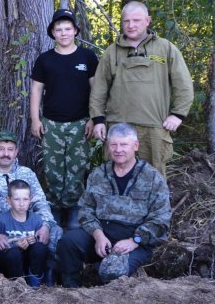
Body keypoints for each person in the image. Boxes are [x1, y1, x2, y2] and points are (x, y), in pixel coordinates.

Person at [56, 123, 170, 287]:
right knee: (68, 242)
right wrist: (98, 236)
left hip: (136, 240)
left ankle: (103, 286)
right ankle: (71, 291)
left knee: (112, 272)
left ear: (135, 146)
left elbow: (162, 218)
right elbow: (86, 210)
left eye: (124, 144)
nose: (118, 149)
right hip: (102, 235)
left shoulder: (152, 177)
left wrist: (135, 240)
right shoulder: (99, 174)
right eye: (113, 144)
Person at [89, 1, 194, 176]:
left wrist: (178, 114)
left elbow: (184, 85)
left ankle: (156, 205)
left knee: (153, 176)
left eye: (136, 20)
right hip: (118, 125)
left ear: (147, 21)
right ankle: (118, 204)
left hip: (154, 127)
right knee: (117, 174)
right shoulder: (111, 52)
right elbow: (99, 89)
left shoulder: (165, 48)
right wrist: (98, 119)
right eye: (126, 21)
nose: (131, 25)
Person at [30, 9, 99, 229]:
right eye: (58, 29)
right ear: (52, 32)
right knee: (52, 169)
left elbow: (96, 90)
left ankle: (74, 209)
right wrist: (35, 119)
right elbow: (36, 90)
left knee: (77, 168)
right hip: (51, 123)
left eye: (68, 28)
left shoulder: (87, 57)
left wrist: (94, 118)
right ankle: (55, 209)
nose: (63, 33)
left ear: (75, 31)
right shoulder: (45, 59)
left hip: (81, 123)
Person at [0, 131, 59, 274]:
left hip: (28, 229)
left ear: (16, 151)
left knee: (56, 230)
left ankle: (49, 277)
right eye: (1, 149)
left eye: (10, 149)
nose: (6, 154)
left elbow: (40, 203)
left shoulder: (27, 174)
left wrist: (45, 226)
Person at [0, 180, 48, 286]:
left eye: (25, 199)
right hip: (11, 264)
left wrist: (33, 241)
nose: (21, 204)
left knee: (40, 248)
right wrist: (14, 245)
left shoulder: (36, 220)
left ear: (30, 199)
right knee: (14, 253)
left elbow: (41, 243)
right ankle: (17, 286)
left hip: (29, 261)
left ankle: (35, 285)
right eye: (17, 199)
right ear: (8, 200)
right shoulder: (1, 221)